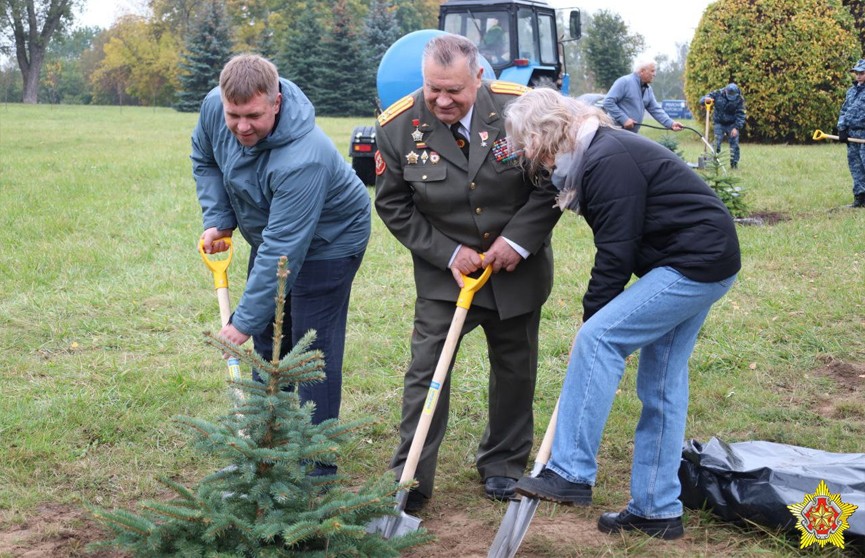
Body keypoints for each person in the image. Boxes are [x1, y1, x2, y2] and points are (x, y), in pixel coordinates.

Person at [505, 88, 741, 540]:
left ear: (542, 136)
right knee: (662, 383)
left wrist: (592, 321)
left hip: (694, 263)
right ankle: (657, 509)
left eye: (525, 144)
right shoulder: (595, 156)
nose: (525, 155)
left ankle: (571, 471)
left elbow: (616, 252)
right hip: (700, 259)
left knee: (599, 339)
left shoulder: (606, 160)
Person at [373, 34, 561, 510]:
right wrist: (447, 252)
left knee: (515, 370)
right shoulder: (397, 128)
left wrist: (517, 241)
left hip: (516, 270)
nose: (442, 100)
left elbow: (551, 184)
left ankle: (503, 465)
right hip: (445, 278)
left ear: (479, 77)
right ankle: (410, 478)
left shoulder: (522, 112)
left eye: (454, 90)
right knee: (427, 373)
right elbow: (393, 204)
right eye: (433, 88)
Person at [192, 54, 371, 475]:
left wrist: (242, 321)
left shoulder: (303, 157)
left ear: (276, 101)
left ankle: (317, 467)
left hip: (331, 240)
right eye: (233, 115)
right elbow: (206, 159)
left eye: (253, 115)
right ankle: (268, 445)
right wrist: (219, 218)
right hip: (273, 228)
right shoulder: (214, 110)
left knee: (310, 348)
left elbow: (282, 250)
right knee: (272, 342)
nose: (241, 126)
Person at [603, 58, 684, 133]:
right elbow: (608, 102)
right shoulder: (624, 82)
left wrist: (671, 124)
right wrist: (624, 119)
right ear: (642, 71)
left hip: (630, 134)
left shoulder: (648, 89)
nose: (654, 74)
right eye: (652, 71)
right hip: (614, 132)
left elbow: (655, 109)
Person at [837, 59, 865, 208]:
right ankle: (860, 198)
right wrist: (842, 128)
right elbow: (844, 111)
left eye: (862, 73)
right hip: (852, 135)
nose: (858, 76)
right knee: (856, 166)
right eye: (857, 73)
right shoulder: (851, 91)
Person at [700, 83, 746, 169]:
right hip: (719, 123)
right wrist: (705, 99)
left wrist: (736, 127)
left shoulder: (739, 99)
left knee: (734, 145)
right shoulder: (717, 94)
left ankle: (734, 165)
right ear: (725, 91)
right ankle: (713, 164)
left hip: (732, 124)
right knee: (717, 143)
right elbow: (702, 100)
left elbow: (741, 114)